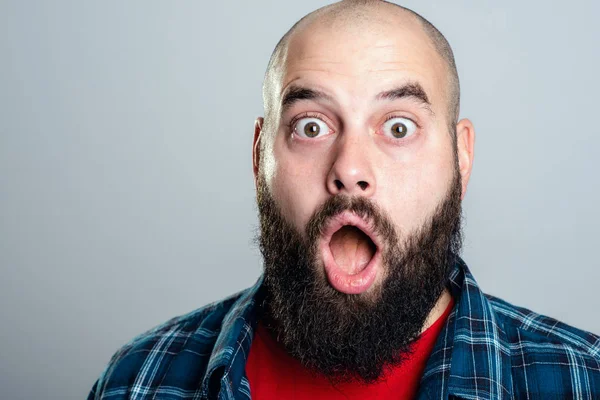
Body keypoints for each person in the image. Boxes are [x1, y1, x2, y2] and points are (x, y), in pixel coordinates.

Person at [87, 1, 600, 399]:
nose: (350, 170)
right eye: (311, 127)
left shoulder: (583, 378)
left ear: (461, 158)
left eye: (398, 127)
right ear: (259, 156)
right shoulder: (137, 380)